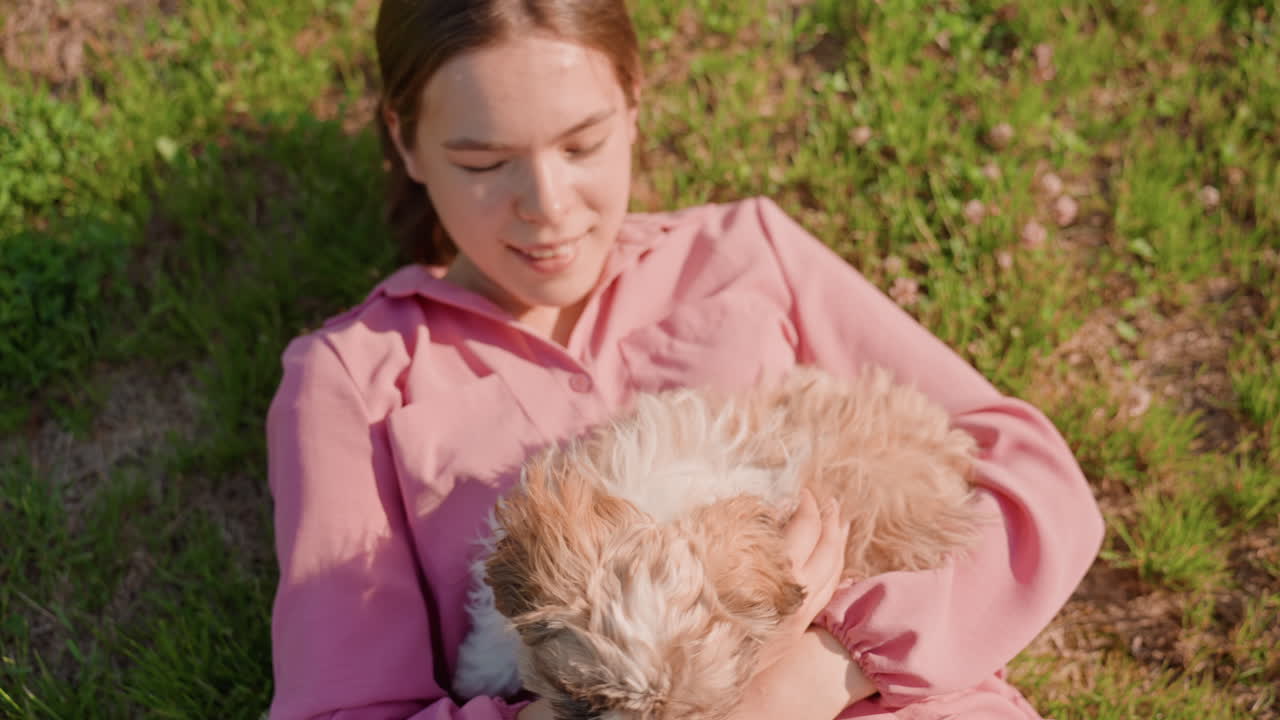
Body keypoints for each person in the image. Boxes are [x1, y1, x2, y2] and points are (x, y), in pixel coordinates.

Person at [264, 0, 1105, 718]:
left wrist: (821, 671)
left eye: (583, 145)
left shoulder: (747, 248)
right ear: (406, 142)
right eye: (482, 162)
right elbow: (345, 704)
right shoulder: (355, 377)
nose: (547, 208)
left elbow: (1037, 486)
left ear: (633, 106)